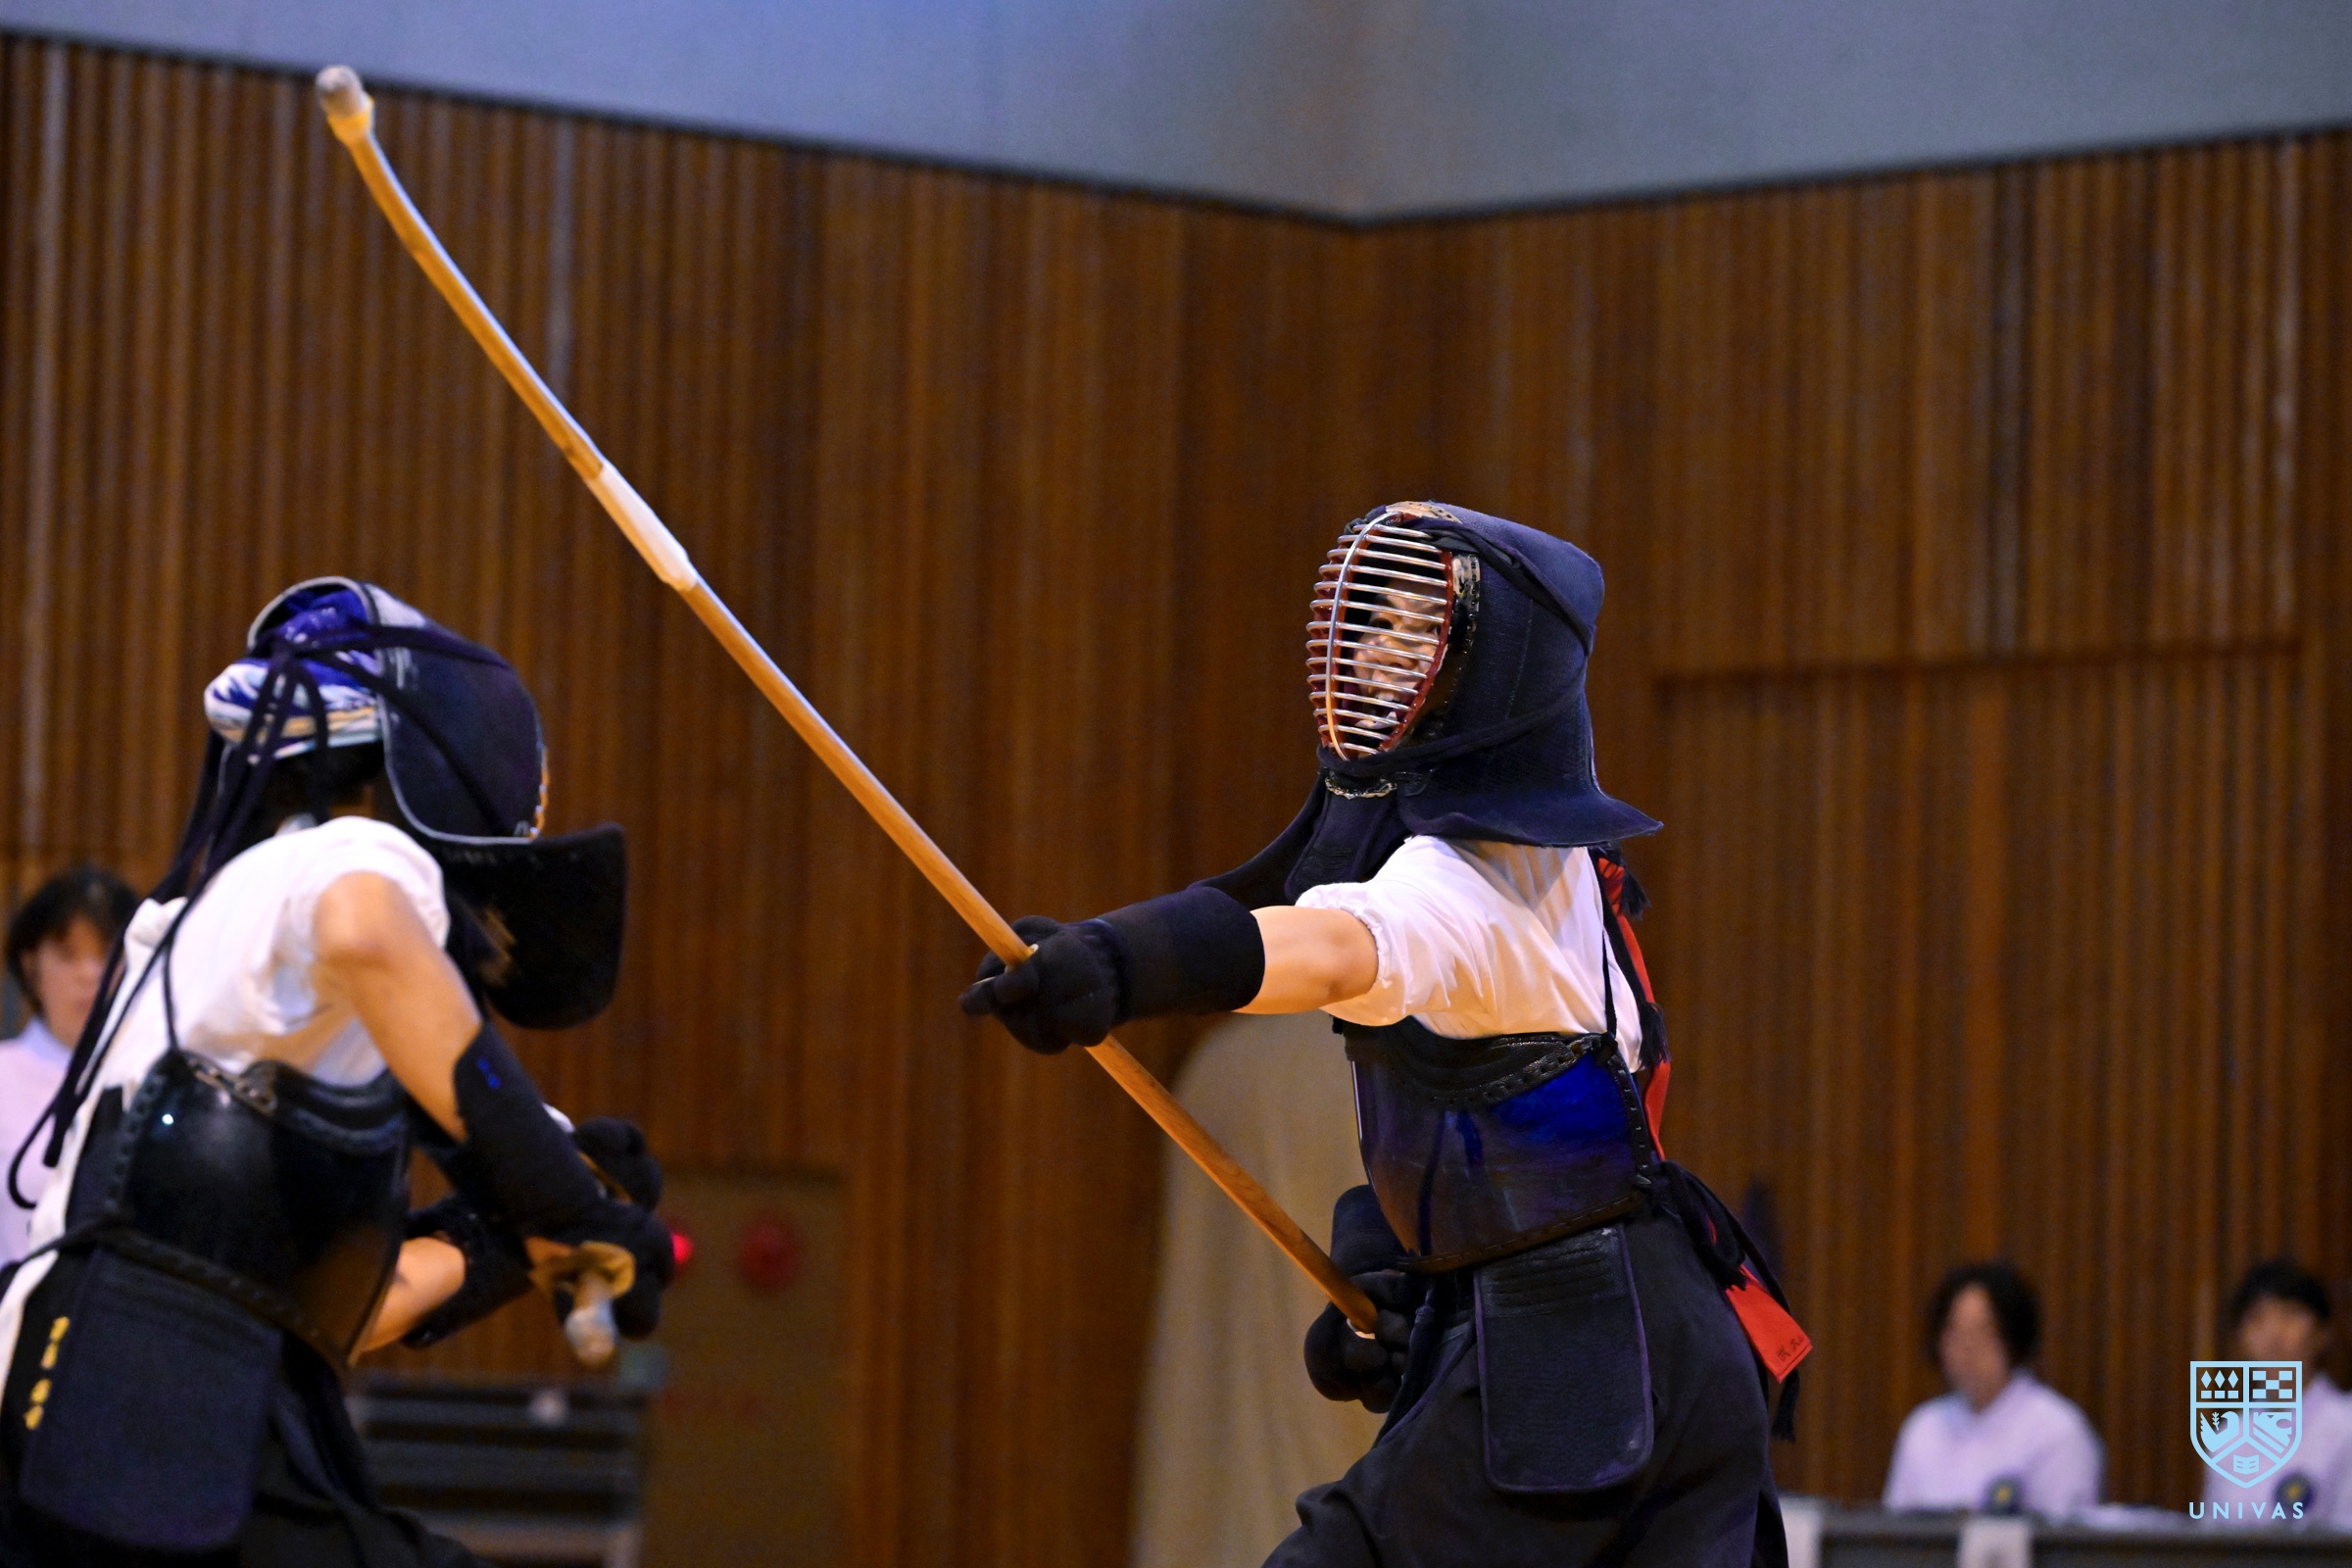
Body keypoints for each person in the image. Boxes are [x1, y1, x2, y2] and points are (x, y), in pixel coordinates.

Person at [962, 502, 1805, 1567]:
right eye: (1371, 630)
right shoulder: (1548, 864)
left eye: (1416, 634)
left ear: (1498, 672)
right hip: (1637, 1335)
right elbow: (1516, 1127)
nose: (1370, 658)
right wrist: (1410, 1277)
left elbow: (1325, 949)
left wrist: (1119, 967)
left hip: (1588, 1350)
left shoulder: (1469, 879)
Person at [0, 579, 673, 1565]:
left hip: (96, 1438)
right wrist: (556, 1198)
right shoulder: (347, 854)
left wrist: (513, 1238)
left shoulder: (201, 953)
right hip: (146, 1421)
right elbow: (365, 927)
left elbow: (336, 1320)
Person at [1883, 1261, 2101, 1516]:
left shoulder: (2056, 1430)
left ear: (2013, 1337)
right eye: (1955, 1332)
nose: (1968, 1348)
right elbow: (1896, 1526)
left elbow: (2065, 1532)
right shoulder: (1924, 1427)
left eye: (1982, 1332)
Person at [0, 866, 136, 1262]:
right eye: (67, 955)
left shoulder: (152, 1078)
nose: (90, 974)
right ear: (31, 966)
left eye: (108, 954)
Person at [2199, 1259, 2352, 1526]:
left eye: (2289, 1315)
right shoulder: (2228, 1437)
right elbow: (2212, 1536)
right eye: (2257, 1318)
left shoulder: (2345, 1426)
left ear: (2322, 1332)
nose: (2273, 1334)